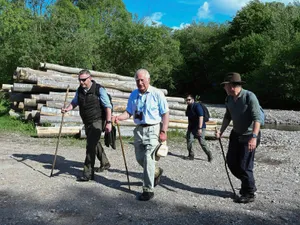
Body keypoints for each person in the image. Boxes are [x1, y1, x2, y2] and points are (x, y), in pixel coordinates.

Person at [112, 69, 169, 201]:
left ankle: (148, 190)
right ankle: (156, 172)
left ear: (148, 80)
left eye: (142, 80)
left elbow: (165, 113)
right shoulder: (134, 94)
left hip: (153, 129)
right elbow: (129, 112)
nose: (139, 82)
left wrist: (163, 131)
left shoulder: (157, 94)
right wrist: (119, 118)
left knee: (149, 158)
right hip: (139, 130)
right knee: (139, 158)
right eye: (137, 80)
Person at [215, 72, 262, 204]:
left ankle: (249, 192)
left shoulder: (249, 97)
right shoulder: (229, 99)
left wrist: (254, 137)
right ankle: (248, 183)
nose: (224, 88)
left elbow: (257, 118)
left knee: (244, 165)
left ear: (231, 86)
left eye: (225, 85)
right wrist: (221, 131)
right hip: (236, 134)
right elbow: (227, 116)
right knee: (231, 162)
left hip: (249, 135)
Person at [61, 69, 112, 181]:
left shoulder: (99, 89)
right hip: (87, 121)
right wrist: (67, 109)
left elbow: (108, 107)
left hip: (98, 120)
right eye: (80, 80)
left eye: (84, 80)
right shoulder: (80, 90)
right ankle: (105, 162)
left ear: (90, 78)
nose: (81, 82)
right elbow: (75, 102)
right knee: (94, 142)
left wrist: (108, 123)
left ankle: (88, 173)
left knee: (90, 146)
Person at [185, 94, 213, 162]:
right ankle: (191, 155)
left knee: (202, 142)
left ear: (193, 100)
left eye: (189, 100)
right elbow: (189, 117)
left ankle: (209, 155)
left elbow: (201, 117)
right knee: (189, 140)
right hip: (191, 127)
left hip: (200, 127)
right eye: (187, 100)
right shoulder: (188, 107)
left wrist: (200, 128)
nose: (188, 101)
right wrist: (189, 127)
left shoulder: (197, 106)